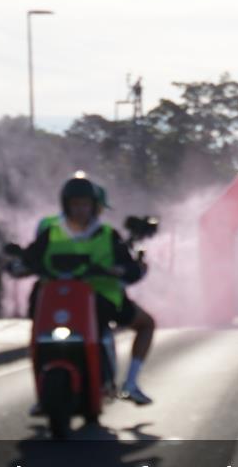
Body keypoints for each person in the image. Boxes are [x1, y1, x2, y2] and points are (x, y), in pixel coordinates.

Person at [21, 173, 156, 405]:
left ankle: (130, 382)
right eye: (75, 204)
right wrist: (17, 262)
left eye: (85, 204)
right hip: (56, 303)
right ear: (66, 205)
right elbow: (28, 258)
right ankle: (41, 394)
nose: (80, 209)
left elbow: (130, 268)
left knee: (147, 323)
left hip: (100, 301)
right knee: (37, 340)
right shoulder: (50, 232)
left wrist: (123, 270)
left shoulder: (107, 235)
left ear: (93, 206)